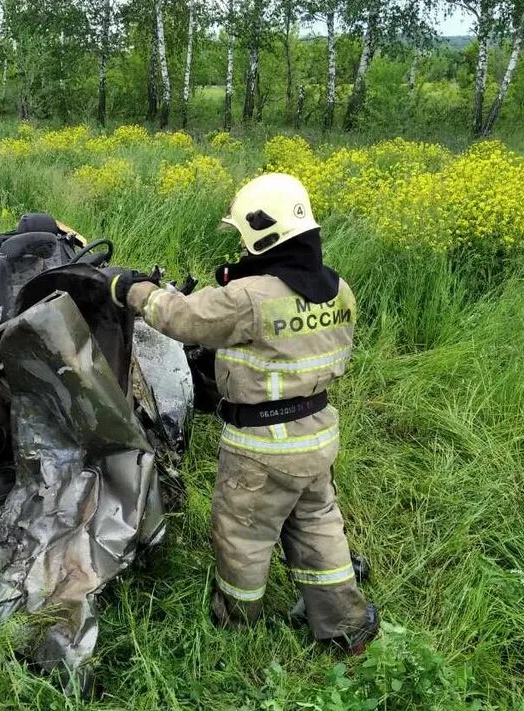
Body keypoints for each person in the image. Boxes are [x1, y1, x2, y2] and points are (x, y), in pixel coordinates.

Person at [110, 173, 379, 652]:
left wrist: (133, 290)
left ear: (263, 230)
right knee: (317, 525)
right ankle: (345, 624)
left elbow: (181, 319)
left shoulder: (249, 298)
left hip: (262, 448)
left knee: (242, 536)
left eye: (242, 235)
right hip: (316, 435)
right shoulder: (340, 289)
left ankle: (235, 624)